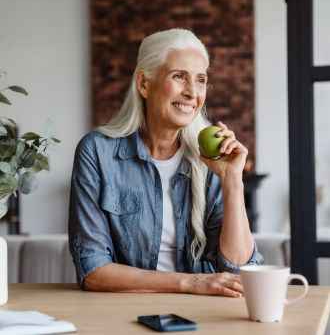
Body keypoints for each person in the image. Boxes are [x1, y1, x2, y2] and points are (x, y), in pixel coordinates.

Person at [68, 28, 263, 297]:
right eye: (179, 76)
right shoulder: (98, 152)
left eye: (201, 79)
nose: (192, 92)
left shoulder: (211, 159)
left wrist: (232, 182)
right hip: (125, 313)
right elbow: (92, 270)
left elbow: (241, 271)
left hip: (205, 314)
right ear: (144, 84)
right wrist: (190, 283)